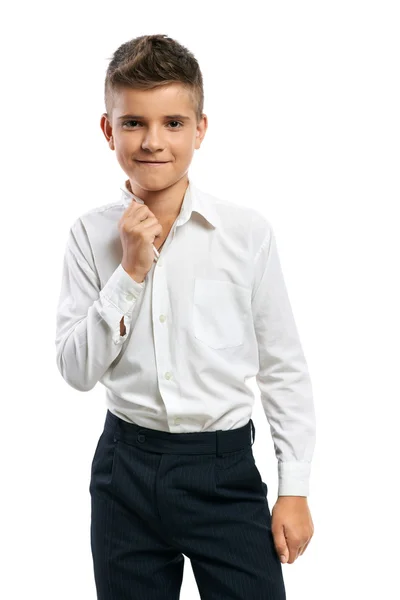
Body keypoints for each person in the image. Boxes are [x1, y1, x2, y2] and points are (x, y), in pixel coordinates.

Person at [55, 33, 316, 600]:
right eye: (133, 123)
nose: (153, 141)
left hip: (223, 472)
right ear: (108, 130)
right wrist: (128, 273)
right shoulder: (88, 235)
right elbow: (75, 371)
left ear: (200, 129)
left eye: (173, 122)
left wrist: (293, 488)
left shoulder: (246, 234)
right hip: (125, 470)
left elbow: (282, 367)